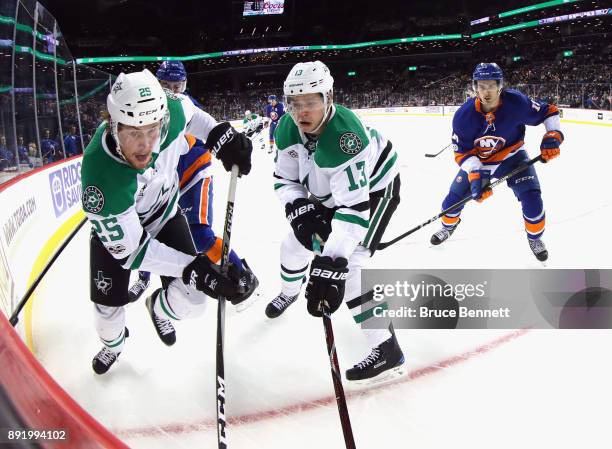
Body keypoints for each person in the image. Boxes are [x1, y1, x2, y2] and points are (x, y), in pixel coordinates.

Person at [81, 69, 253, 374]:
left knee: (195, 301)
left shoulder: (171, 110)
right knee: (107, 315)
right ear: (113, 124)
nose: (146, 145)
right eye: (134, 133)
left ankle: (158, 308)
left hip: (164, 214)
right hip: (125, 239)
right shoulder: (100, 177)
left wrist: (219, 136)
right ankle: (113, 345)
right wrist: (192, 268)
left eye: (153, 131)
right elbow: (134, 252)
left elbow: (193, 116)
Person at [266, 61, 405, 383]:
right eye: (294, 103)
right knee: (293, 244)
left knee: (351, 263)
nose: (301, 111)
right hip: (329, 193)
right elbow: (284, 180)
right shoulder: (287, 127)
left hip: (374, 192)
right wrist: (299, 208)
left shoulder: (346, 139)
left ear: (328, 97)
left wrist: (331, 264)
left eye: (310, 101)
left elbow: (354, 211)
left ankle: (387, 349)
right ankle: (290, 290)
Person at [126, 64, 258, 306]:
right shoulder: (146, 111)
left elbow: (204, 134)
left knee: (198, 235)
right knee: (143, 229)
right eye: (168, 86)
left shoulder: (185, 106)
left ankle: (240, 274)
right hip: (167, 186)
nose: (174, 91)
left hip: (194, 174)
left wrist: (224, 142)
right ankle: (144, 276)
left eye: (178, 86)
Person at [429, 63, 563, 261]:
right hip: (480, 163)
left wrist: (553, 134)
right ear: (475, 87)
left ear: (500, 85)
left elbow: (549, 111)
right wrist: (477, 177)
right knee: (452, 201)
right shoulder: (463, 117)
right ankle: (448, 226)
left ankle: (535, 238)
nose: (486, 91)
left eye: (491, 85)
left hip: (513, 157)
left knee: (532, 199)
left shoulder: (516, 102)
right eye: (481, 86)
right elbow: (462, 153)